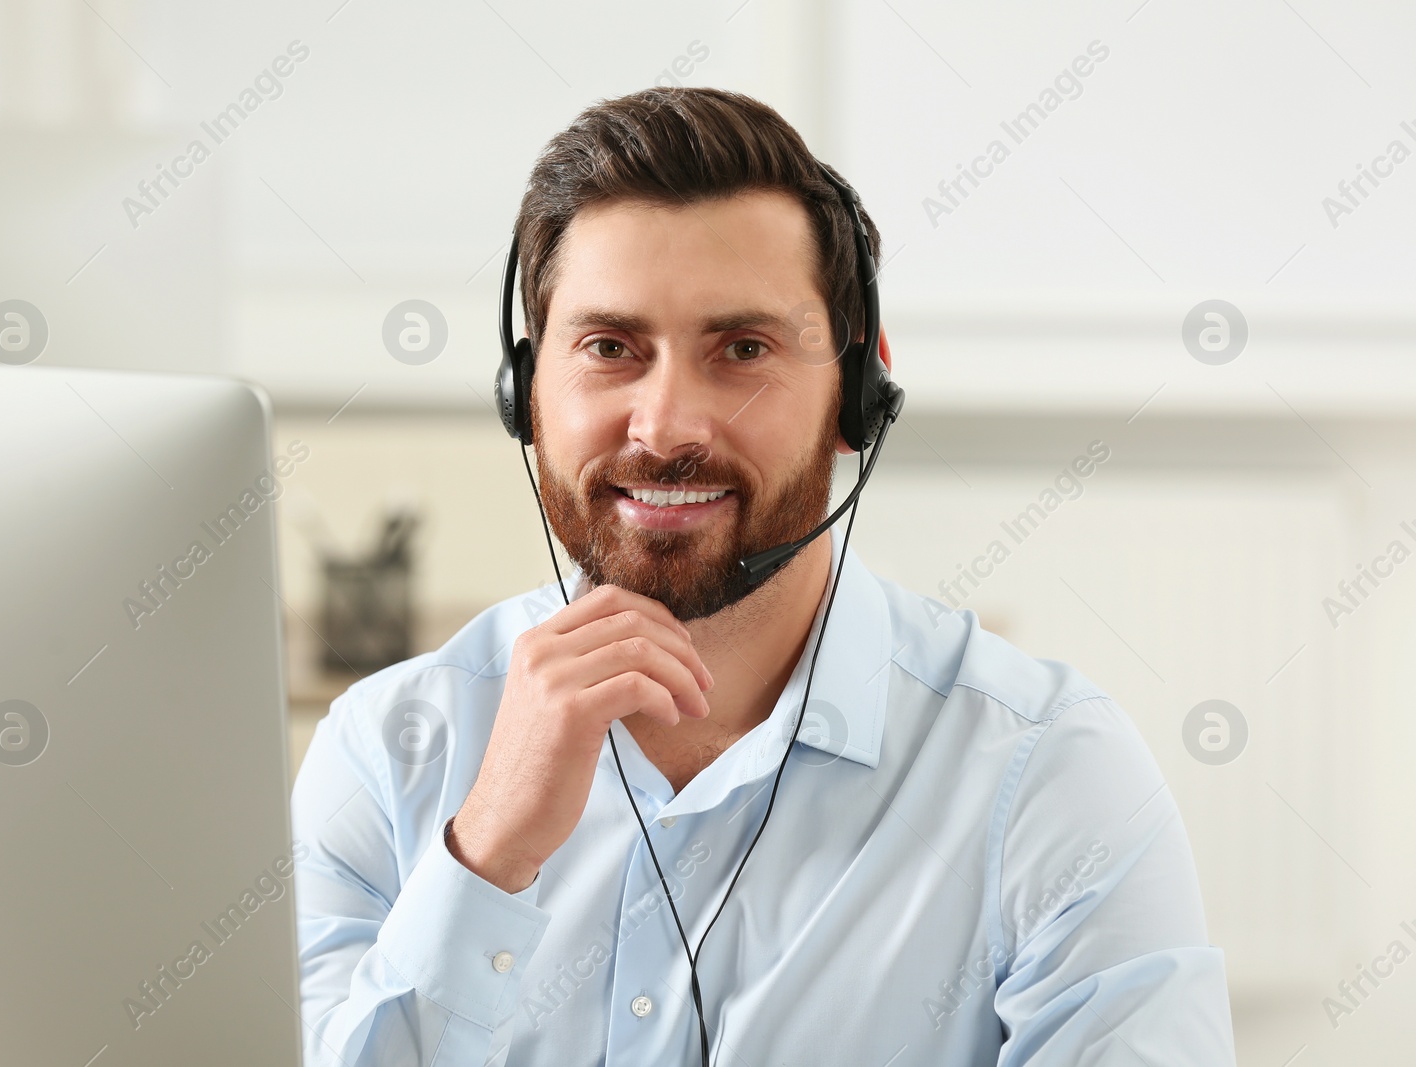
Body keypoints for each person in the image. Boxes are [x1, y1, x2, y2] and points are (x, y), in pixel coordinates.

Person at [290, 86, 1235, 1065]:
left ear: (858, 395)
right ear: (525, 392)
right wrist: (484, 857)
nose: (664, 427)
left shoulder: (1049, 774)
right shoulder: (387, 753)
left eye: (741, 350)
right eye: (609, 348)